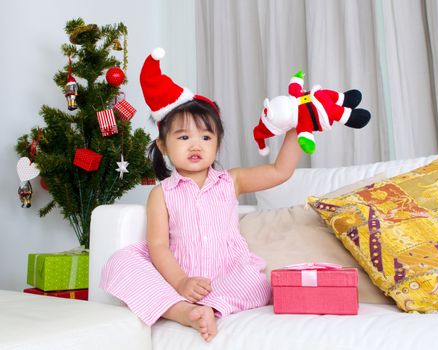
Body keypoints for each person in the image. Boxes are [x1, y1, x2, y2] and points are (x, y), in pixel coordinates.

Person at [99, 48, 302, 342]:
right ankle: (183, 310)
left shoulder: (231, 181)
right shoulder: (162, 193)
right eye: (183, 137)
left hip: (227, 273)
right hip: (177, 274)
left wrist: (299, 126)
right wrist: (180, 281)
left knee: (256, 283)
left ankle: (207, 307)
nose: (195, 145)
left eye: (205, 137)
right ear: (164, 146)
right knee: (120, 263)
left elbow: (280, 171)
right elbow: (158, 246)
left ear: (217, 143)